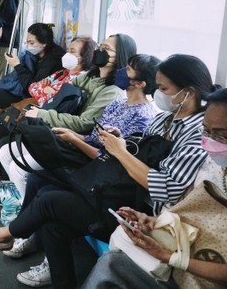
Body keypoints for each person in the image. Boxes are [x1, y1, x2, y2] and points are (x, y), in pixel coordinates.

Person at [0, 54, 215, 289]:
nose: (157, 94)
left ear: (188, 92)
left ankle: (6, 234)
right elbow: (142, 151)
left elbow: (166, 187)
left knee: (50, 198)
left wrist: (120, 152)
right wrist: (123, 144)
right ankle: (32, 247)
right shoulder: (165, 119)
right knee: (52, 223)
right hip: (119, 188)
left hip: (143, 212)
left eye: (163, 89)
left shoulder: (197, 133)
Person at [82, 87, 227, 289]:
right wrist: (155, 221)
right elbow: (196, 214)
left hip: (193, 270)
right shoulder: (214, 167)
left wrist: (170, 257)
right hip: (183, 260)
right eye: (206, 131)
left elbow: (166, 187)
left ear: (189, 92)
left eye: (221, 135)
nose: (210, 141)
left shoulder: (194, 148)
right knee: (111, 263)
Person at [0, 54, 160, 206]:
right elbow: (93, 136)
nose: (121, 71)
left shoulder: (142, 116)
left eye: (128, 70)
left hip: (92, 162)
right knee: (6, 152)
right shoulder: (118, 104)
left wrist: (74, 139)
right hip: (81, 147)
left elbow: (109, 157)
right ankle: (15, 210)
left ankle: (20, 217)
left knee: (18, 169)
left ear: (140, 83)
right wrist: (71, 135)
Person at [0, 23, 65, 173]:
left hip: (35, 103)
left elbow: (33, 89)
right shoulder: (36, 55)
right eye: (27, 42)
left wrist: (17, 65)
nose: (28, 45)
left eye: (32, 43)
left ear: (44, 43)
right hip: (24, 96)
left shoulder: (53, 60)